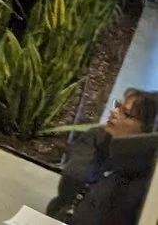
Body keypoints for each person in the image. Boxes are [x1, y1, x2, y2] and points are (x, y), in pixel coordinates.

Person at [52, 88, 158, 225]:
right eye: (117, 106)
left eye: (125, 113)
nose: (113, 113)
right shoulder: (95, 137)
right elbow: (70, 183)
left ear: (146, 132)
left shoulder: (145, 176)